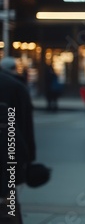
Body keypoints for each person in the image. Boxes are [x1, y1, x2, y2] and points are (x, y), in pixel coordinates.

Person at [0, 68, 37, 223]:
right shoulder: (16, 86)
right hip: (7, 158)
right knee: (9, 202)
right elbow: (25, 129)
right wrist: (27, 162)